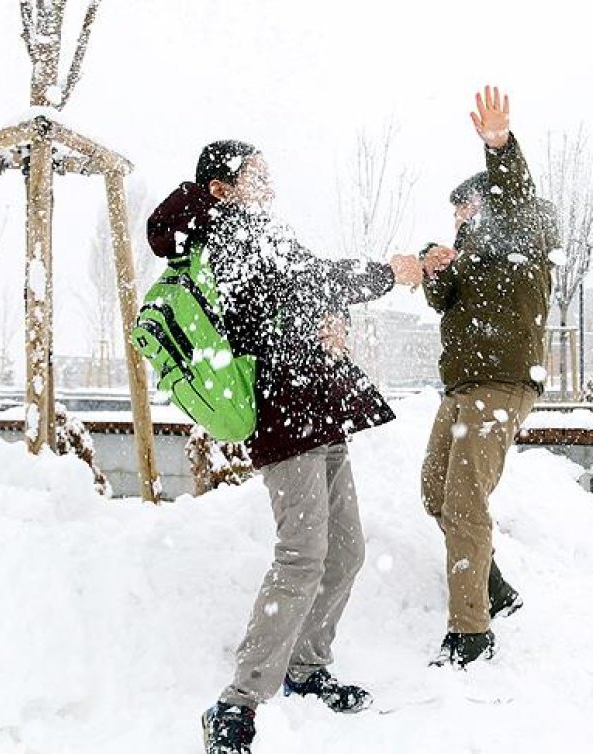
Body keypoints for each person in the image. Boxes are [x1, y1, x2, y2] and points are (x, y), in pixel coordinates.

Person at [146, 140, 424, 754]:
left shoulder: (260, 231)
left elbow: (305, 293)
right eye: (256, 175)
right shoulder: (224, 233)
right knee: (302, 556)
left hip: (317, 409)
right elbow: (314, 279)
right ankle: (236, 704)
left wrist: (335, 322)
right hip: (283, 416)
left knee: (346, 550)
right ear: (222, 188)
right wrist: (389, 273)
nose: (270, 184)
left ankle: (306, 667)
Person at [418, 86, 557, 668]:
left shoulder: (524, 235)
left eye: (467, 209)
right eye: (455, 214)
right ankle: (494, 586)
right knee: (435, 492)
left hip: (501, 385)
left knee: (466, 502)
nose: (460, 220)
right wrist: (433, 266)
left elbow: (517, 194)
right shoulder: (468, 257)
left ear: (491, 204)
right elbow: (441, 301)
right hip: (463, 388)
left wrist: (499, 145)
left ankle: (471, 632)